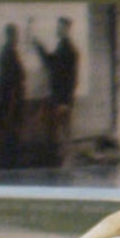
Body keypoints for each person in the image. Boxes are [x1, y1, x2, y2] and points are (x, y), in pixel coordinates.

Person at [32, 16, 81, 164]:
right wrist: (38, 45)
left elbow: (72, 79)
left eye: (59, 27)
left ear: (66, 29)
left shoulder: (69, 50)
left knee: (63, 132)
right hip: (59, 98)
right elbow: (50, 62)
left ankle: (65, 162)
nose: (56, 30)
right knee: (60, 131)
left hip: (63, 99)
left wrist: (65, 102)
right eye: (57, 27)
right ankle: (63, 160)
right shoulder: (61, 47)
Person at [0, 23, 27, 170]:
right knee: (10, 132)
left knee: (11, 132)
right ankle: (10, 164)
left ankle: (10, 162)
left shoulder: (10, 52)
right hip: (10, 101)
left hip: (10, 100)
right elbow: (11, 82)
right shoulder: (8, 54)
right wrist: (11, 106)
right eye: (14, 36)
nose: (16, 39)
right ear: (9, 36)